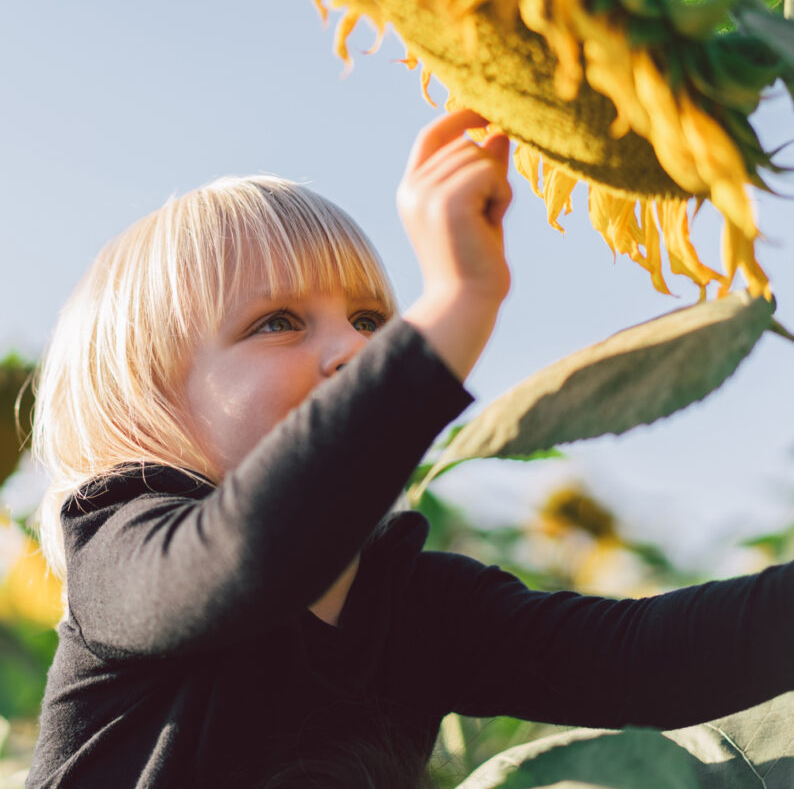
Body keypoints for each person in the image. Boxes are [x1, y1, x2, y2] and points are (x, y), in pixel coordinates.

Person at [26, 109, 793, 788]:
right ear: (147, 398)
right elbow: (247, 557)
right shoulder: (122, 549)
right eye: (278, 322)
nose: (353, 350)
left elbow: (645, 662)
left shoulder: (416, 607)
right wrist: (458, 305)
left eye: (369, 318)